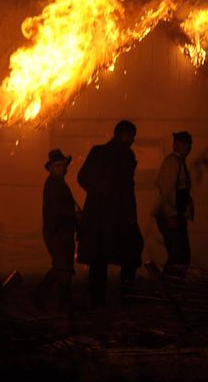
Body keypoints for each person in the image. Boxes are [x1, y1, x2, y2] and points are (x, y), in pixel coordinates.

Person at [77, 119, 143, 308]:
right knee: (132, 249)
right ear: (123, 135)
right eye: (132, 135)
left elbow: (82, 178)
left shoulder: (98, 152)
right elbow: (126, 188)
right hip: (117, 215)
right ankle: (126, 297)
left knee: (99, 259)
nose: (133, 139)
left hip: (98, 216)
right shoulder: (125, 155)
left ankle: (99, 301)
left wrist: (97, 192)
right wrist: (130, 212)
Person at [31, 149, 81, 310]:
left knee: (60, 266)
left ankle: (40, 295)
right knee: (63, 268)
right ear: (51, 168)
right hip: (57, 231)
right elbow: (58, 209)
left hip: (61, 230)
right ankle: (64, 302)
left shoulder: (58, 184)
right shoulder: (53, 185)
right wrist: (75, 215)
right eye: (58, 166)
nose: (62, 168)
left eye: (63, 165)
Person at [155, 130, 195, 278]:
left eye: (188, 144)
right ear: (175, 145)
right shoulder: (172, 162)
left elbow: (181, 189)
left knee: (182, 255)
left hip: (177, 215)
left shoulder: (179, 163)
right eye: (183, 143)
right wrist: (171, 215)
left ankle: (174, 287)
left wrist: (188, 206)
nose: (187, 147)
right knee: (178, 256)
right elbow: (167, 191)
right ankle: (169, 287)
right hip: (171, 216)